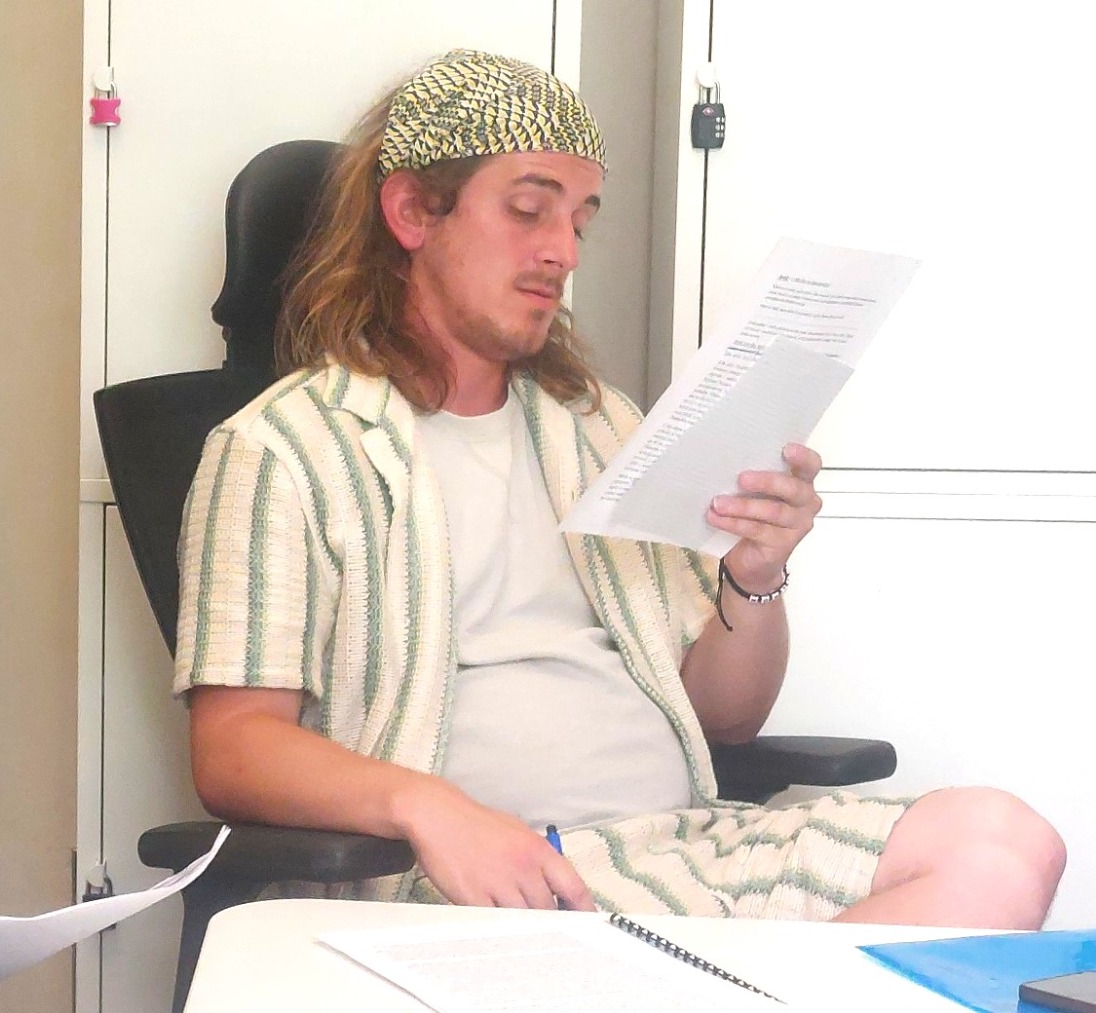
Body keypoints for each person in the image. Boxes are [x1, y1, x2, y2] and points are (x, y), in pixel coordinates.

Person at [176, 49, 1065, 926]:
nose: (561, 252)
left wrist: (753, 573)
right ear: (412, 211)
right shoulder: (283, 448)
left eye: (580, 222)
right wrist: (429, 808)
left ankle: (739, 988)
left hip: (686, 846)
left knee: (1006, 845)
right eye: (528, 210)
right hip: (490, 884)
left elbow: (724, 717)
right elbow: (233, 748)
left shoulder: (600, 426)